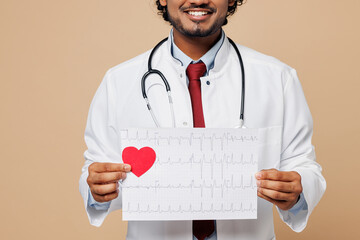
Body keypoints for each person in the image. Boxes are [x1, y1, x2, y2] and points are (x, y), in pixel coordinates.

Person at [79, 0, 326, 239]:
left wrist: (298, 189)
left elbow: (303, 164)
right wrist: (96, 189)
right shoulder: (118, 81)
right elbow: (94, 168)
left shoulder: (278, 78)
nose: (198, 0)